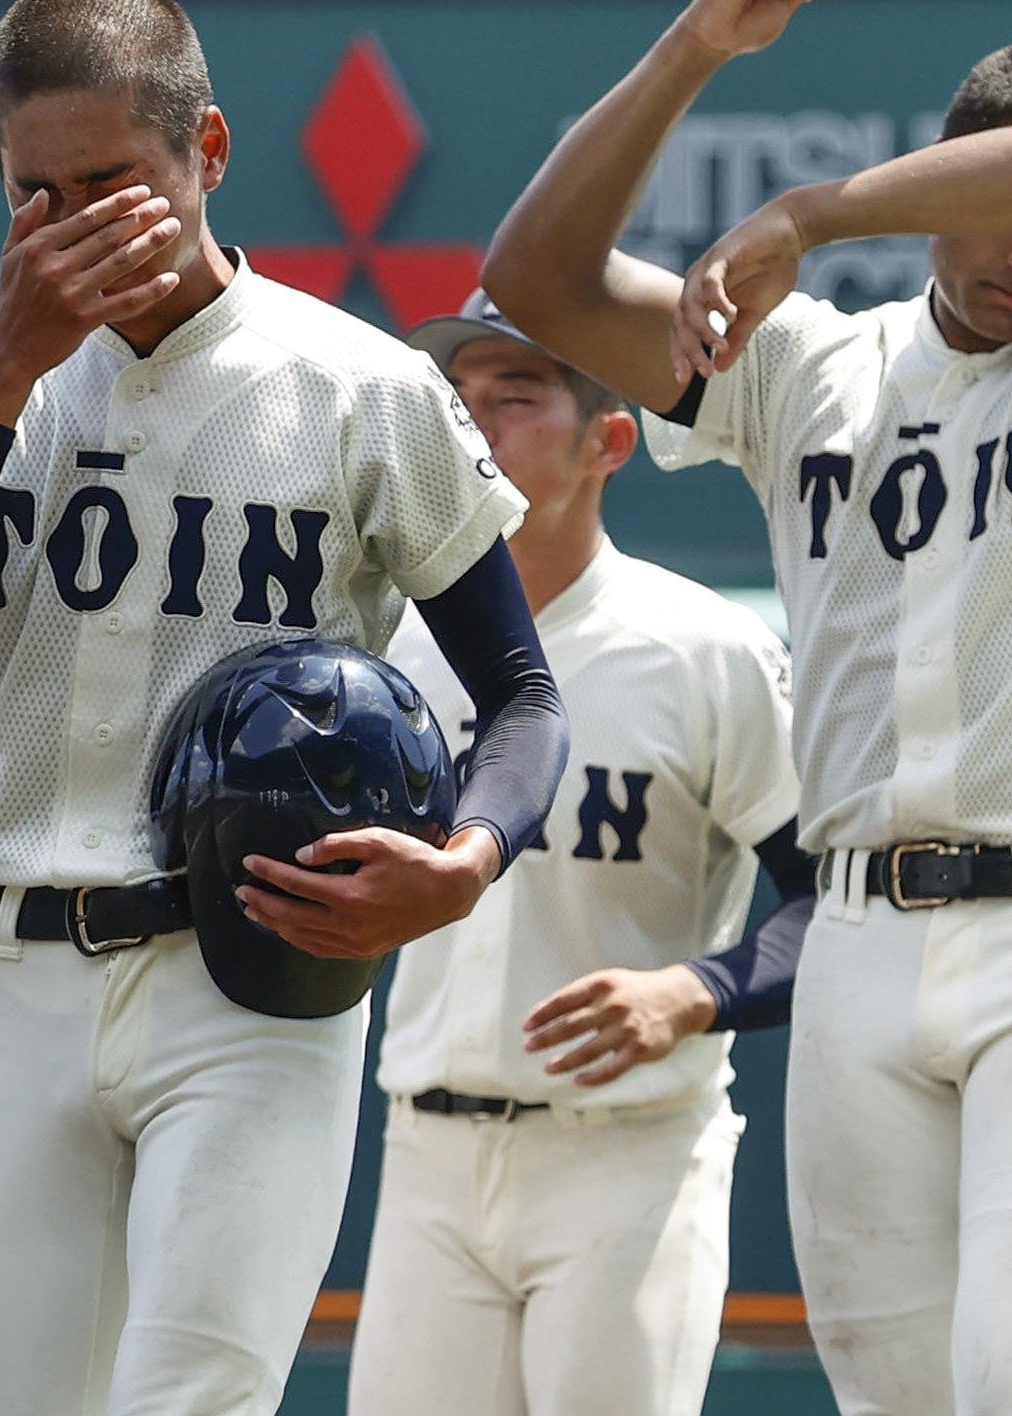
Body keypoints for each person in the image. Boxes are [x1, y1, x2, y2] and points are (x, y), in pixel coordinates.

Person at [482, 0, 1012, 1407]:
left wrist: (807, 211)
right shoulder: (803, 369)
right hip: (856, 941)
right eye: (992, 213)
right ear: (944, 188)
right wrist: (698, 45)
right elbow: (531, 278)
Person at [0, 0, 567, 1416]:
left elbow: (520, 695)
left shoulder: (360, 383)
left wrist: (465, 864)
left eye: (116, 184)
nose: (79, 226)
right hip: (17, 961)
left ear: (207, 155)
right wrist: (4, 366)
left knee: (191, 1399)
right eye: (39, 195)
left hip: (256, 972)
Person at [348, 292, 809, 1416]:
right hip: (426, 1152)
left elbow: (838, 901)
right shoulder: (381, 636)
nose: (478, 424)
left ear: (609, 441)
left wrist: (698, 991)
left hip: (629, 1153)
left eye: (515, 396)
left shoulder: (707, 650)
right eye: (459, 400)